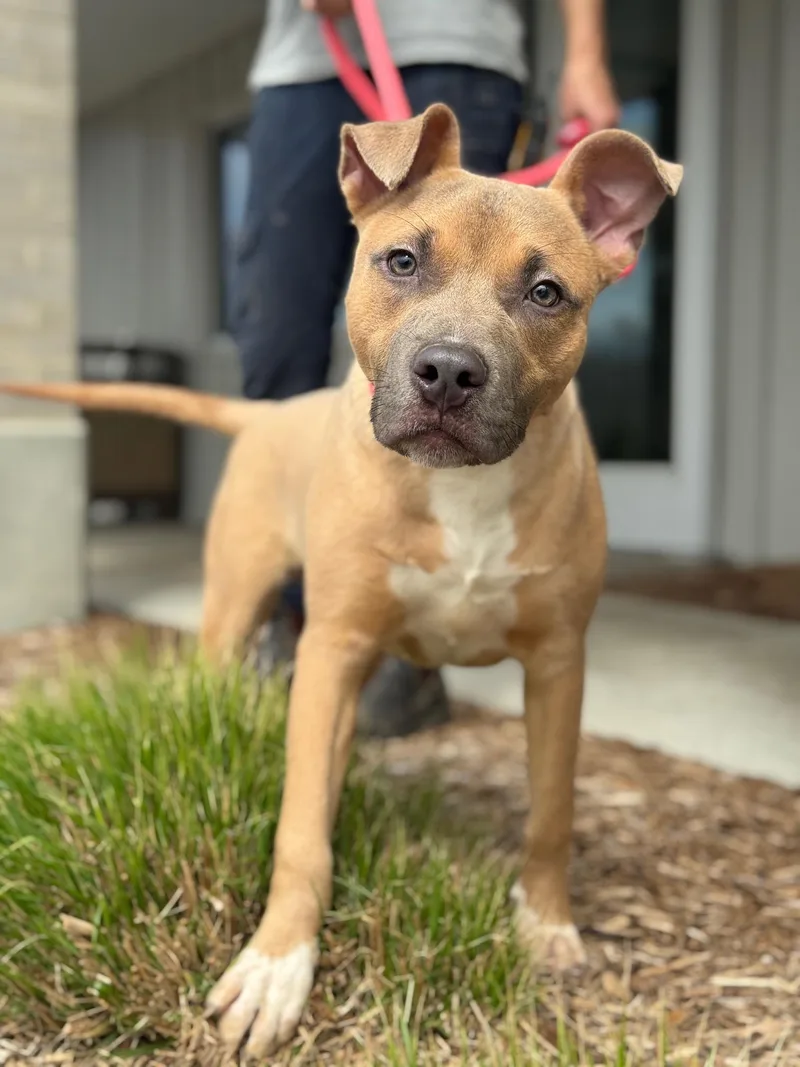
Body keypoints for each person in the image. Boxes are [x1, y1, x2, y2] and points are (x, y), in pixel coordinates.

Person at [234, 0, 620, 736]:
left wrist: (584, 50)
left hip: (457, 35)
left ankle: (415, 649)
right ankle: (319, 613)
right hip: (301, 57)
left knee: (482, 310)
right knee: (275, 337)